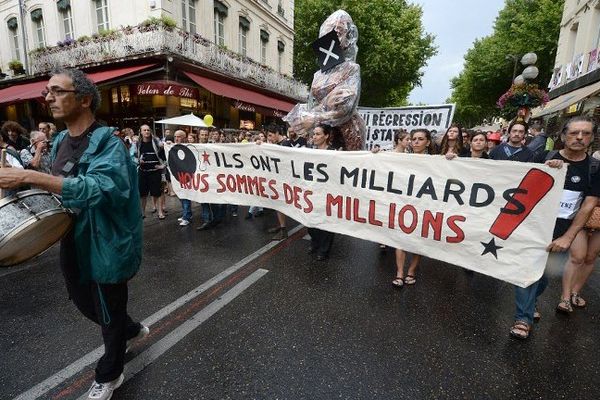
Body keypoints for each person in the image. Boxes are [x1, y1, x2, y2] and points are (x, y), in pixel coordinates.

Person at [0, 68, 147, 400]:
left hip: (106, 241)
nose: (48, 97)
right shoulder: (62, 140)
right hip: (74, 236)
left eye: (56, 90)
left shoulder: (109, 142)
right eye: (46, 92)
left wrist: (28, 178)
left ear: (83, 99)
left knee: (108, 310)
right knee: (84, 302)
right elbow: (60, 185)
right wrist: (23, 180)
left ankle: (110, 374)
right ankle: (131, 328)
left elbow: (101, 189)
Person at [544, 117, 600, 315]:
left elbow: (589, 204)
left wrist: (569, 236)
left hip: (574, 222)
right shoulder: (545, 157)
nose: (579, 137)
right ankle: (528, 307)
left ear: (592, 138)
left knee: (580, 256)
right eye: (574, 133)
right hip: (542, 222)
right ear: (563, 136)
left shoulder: (594, 167)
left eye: (586, 133)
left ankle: (567, 296)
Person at [392, 129, 435, 287]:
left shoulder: (437, 162)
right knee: (400, 238)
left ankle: (411, 271)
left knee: (417, 241)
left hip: (424, 206)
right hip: (404, 203)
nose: (416, 142)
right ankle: (399, 273)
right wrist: (376, 154)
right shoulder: (403, 158)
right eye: (414, 139)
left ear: (428, 142)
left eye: (420, 139)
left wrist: (452, 159)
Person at [307, 124, 337, 261]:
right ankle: (316, 242)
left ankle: (324, 250)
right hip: (312, 192)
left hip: (328, 193)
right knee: (311, 222)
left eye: (318, 134)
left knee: (326, 222)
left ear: (326, 136)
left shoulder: (334, 152)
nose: (315, 137)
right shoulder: (308, 151)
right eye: (314, 134)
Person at [266, 125, 292, 240]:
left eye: (271, 135)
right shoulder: (278, 144)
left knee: (280, 204)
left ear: (277, 133)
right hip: (278, 179)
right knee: (278, 204)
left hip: (283, 180)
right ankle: (281, 225)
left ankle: (283, 229)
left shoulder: (285, 144)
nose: (270, 138)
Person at [136, 124, 166, 219]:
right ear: (140, 132)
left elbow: (166, 154)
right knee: (143, 194)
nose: (146, 132)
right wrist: (138, 161)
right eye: (144, 130)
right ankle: (142, 213)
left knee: (158, 192)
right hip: (143, 171)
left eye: (148, 130)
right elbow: (132, 155)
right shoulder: (137, 143)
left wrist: (163, 165)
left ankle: (160, 212)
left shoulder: (156, 142)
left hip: (155, 171)